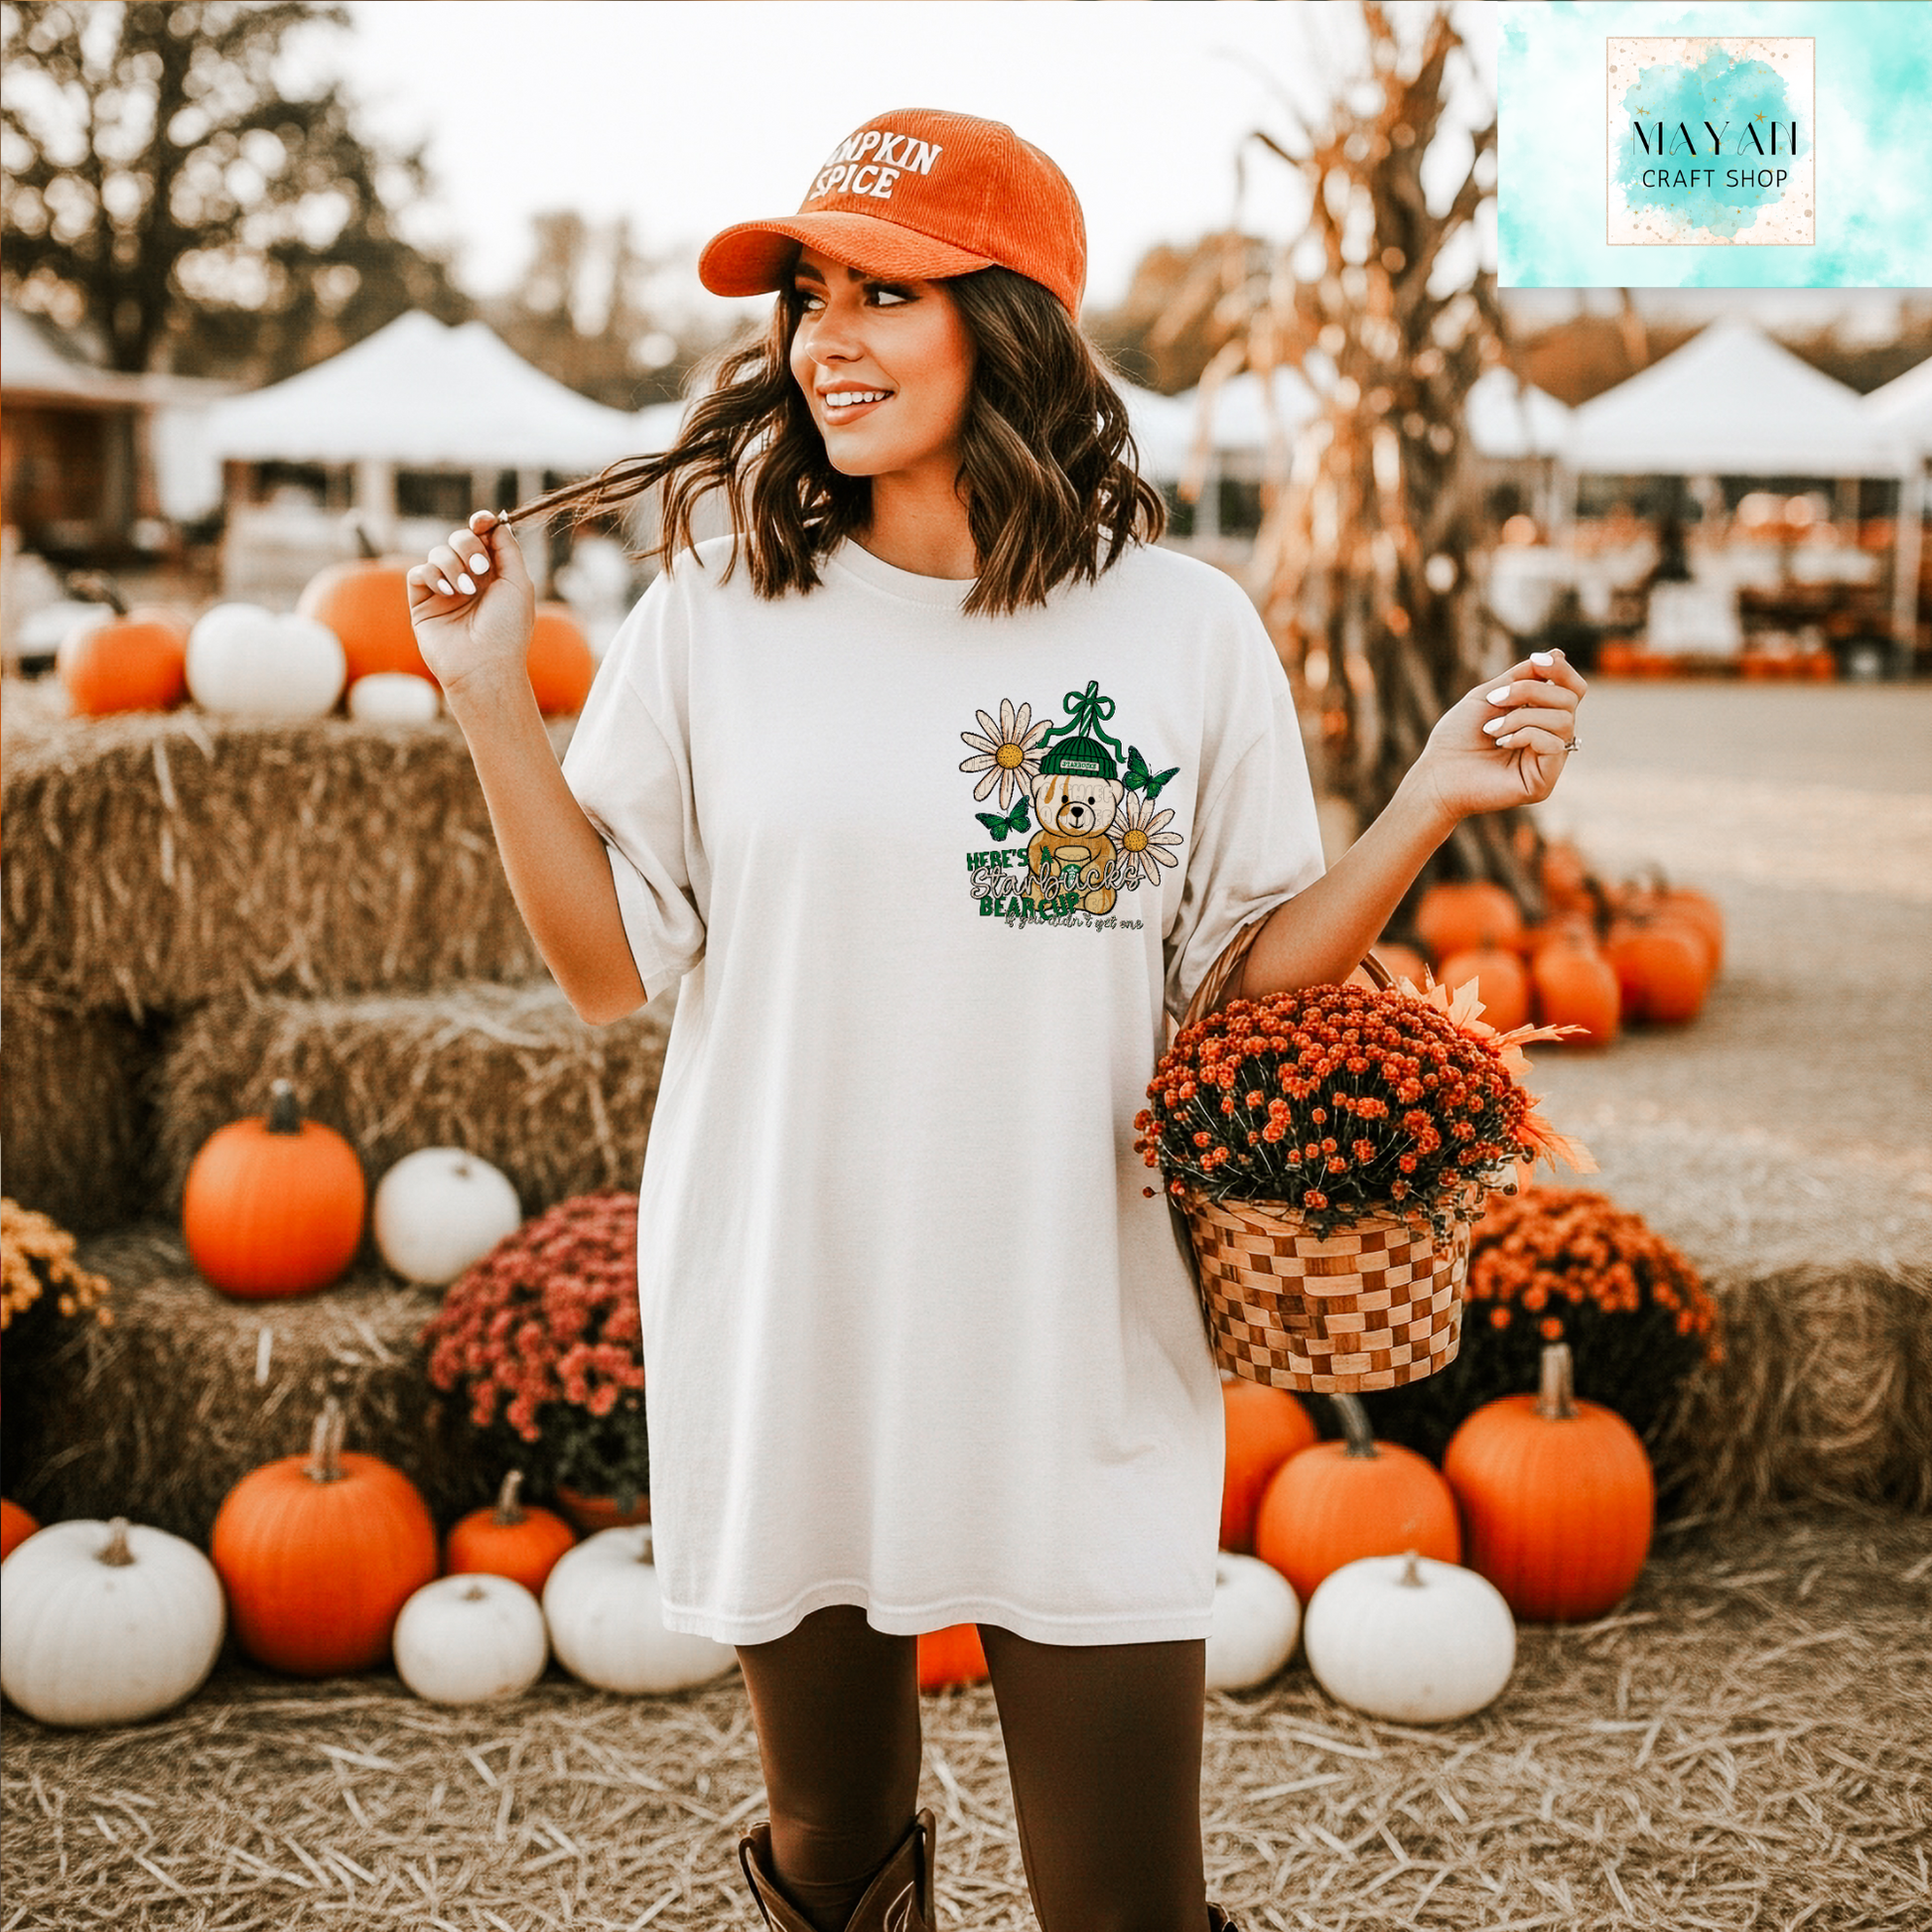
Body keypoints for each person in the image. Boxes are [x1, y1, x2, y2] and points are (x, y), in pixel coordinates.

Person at [406, 107, 1585, 1932]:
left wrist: (1422, 802)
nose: (827, 338)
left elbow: (1242, 984)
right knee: (830, 1847)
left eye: (890, 290)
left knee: (1123, 1897)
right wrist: (489, 696)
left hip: (1078, 1319)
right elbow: (603, 967)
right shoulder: (715, 613)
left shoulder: (1180, 632)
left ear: (1013, 324)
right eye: (811, 292)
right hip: (795, 1303)